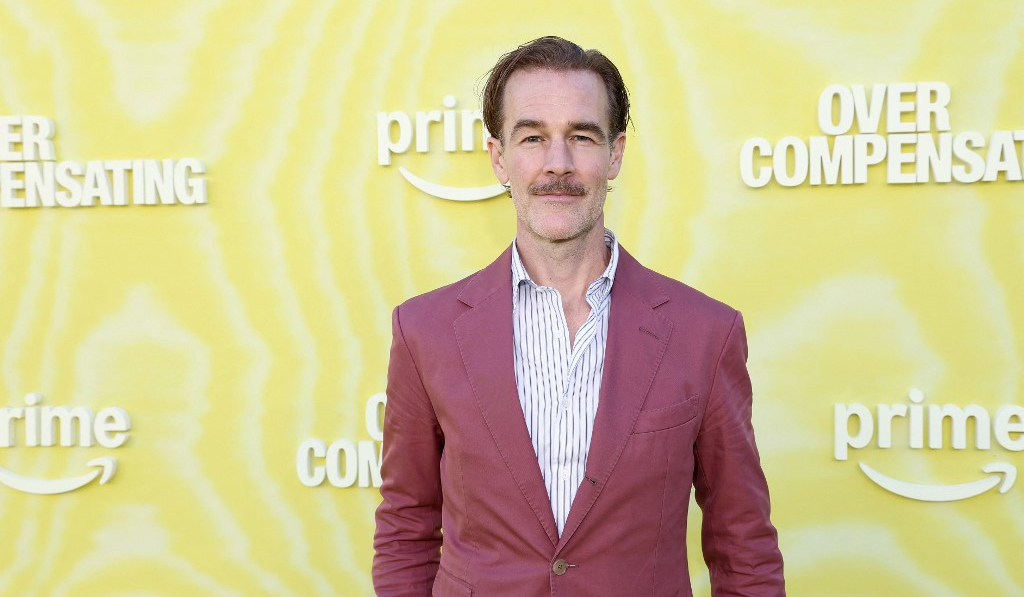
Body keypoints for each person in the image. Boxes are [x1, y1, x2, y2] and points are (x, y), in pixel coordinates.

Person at [373, 35, 785, 596]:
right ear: (499, 157)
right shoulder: (425, 332)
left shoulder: (704, 334)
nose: (558, 164)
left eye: (582, 137)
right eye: (533, 137)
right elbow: (406, 530)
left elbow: (744, 548)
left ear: (615, 154)